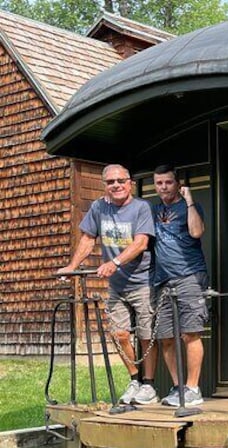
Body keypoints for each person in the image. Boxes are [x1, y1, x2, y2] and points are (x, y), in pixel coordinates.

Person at [57, 164, 159, 405]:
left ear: (130, 183)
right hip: (117, 285)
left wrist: (114, 262)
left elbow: (141, 243)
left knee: (146, 334)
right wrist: (73, 266)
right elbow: (87, 238)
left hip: (143, 281)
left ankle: (150, 385)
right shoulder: (99, 207)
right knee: (119, 333)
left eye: (121, 180)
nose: (116, 185)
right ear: (105, 185)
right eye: (111, 181)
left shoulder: (141, 208)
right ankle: (135, 379)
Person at [151, 164, 208, 407]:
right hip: (162, 280)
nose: (163, 187)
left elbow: (197, 232)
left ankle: (193, 389)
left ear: (177, 184)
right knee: (165, 337)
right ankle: (178, 388)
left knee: (190, 333)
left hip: (190, 276)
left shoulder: (189, 207)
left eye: (168, 182)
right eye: (159, 183)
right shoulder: (152, 211)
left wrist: (190, 200)